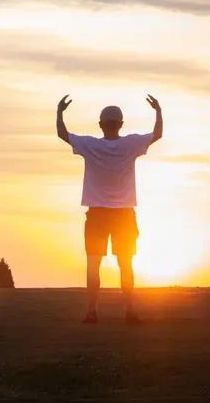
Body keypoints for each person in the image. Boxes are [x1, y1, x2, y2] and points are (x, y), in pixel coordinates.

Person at [56, 94, 162, 324]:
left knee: (94, 264)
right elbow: (158, 134)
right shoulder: (130, 144)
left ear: (101, 125)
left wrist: (59, 112)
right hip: (124, 214)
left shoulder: (90, 145)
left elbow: (62, 134)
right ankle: (130, 311)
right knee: (126, 263)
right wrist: (158, 111)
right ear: (121, 124)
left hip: (97, 214)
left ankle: (92, 312)